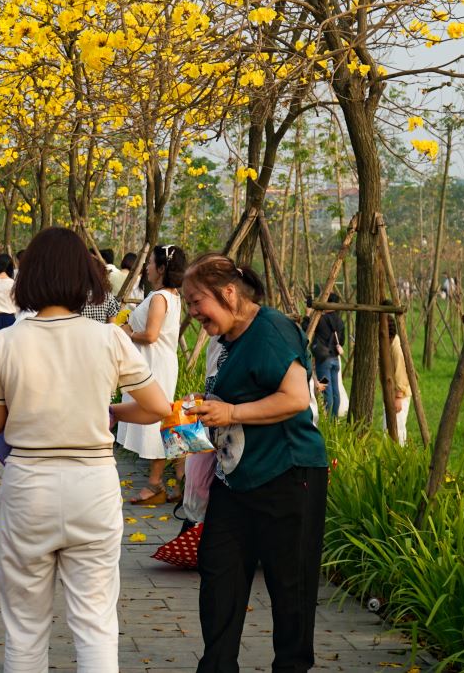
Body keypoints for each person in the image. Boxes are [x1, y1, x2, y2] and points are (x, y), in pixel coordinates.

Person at [0, 226, 169, 672]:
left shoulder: (5, 342)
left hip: (29, 486)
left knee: (25, 625)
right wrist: (108, 411)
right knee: (96, 621)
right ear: (86, 276)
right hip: (93, 484)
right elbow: (157, 407)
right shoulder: (108, 338)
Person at [180, 255, 330, 673]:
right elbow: (235, 396)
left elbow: (296, 398)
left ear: (229, 293)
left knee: (290, 589)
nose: (193, 313)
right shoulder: (228, 341)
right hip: (238, 482)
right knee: (219, 576)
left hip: (288, 475)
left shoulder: (272, 330)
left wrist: (230, 414)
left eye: (196, 302)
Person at [116, 244, 186, 506]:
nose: (146, 267)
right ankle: (180, 477)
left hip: (155, 364)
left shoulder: (160, 298)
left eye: (150, 263)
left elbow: (151, 335)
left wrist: (127, 334)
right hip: (157, 362)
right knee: (162, 416)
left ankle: (155, 484)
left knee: (156, 418)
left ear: (162, 268)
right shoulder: (169, 295)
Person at [311, 292, 346, 417]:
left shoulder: (321, 319)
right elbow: (342, 341)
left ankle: (329, 420)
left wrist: (307, 316)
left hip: (324, 362)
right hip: (335, 361)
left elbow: (307, 327)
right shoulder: (340, 321)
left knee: (326, 390)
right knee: (336, 391)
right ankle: (334, 419)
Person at [384, 316, 410, 445]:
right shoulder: (389, 344)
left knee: (398, 429)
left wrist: (399, 396)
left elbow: (401, 371)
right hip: (391, 393)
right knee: (387, 428)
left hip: (400, 395)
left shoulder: (396, 347)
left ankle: (399, 457)